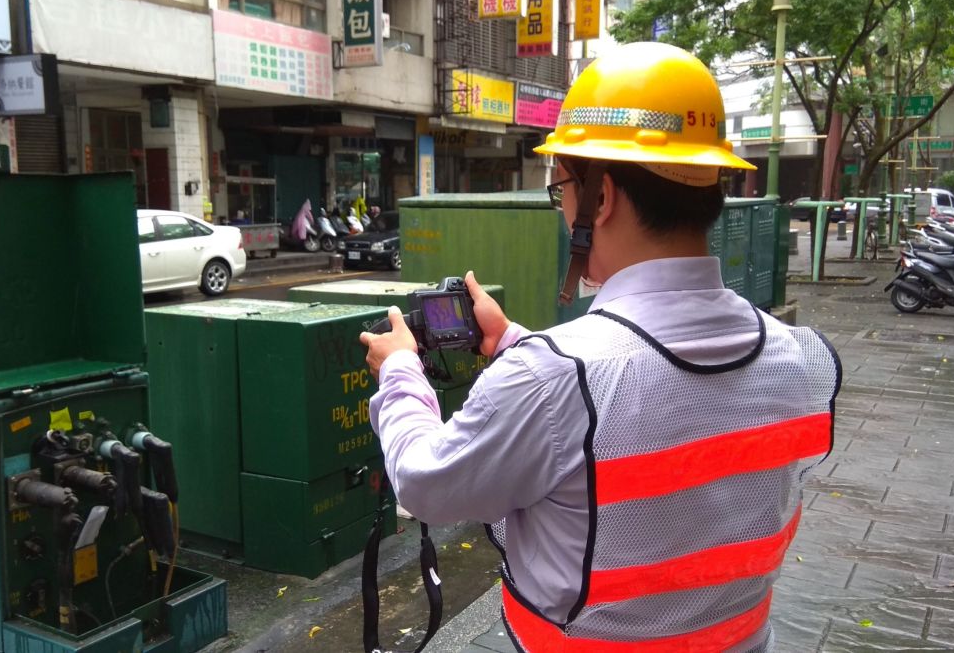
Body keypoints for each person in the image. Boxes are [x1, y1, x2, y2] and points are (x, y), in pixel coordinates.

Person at [359, 42, 840, 652]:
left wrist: (401, 371)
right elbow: (641, 401)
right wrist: (512, 343)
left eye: (561, 187)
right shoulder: (803, 359)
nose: (562, 207)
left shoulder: (551, 378)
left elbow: (426, 483)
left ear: (602, 198)